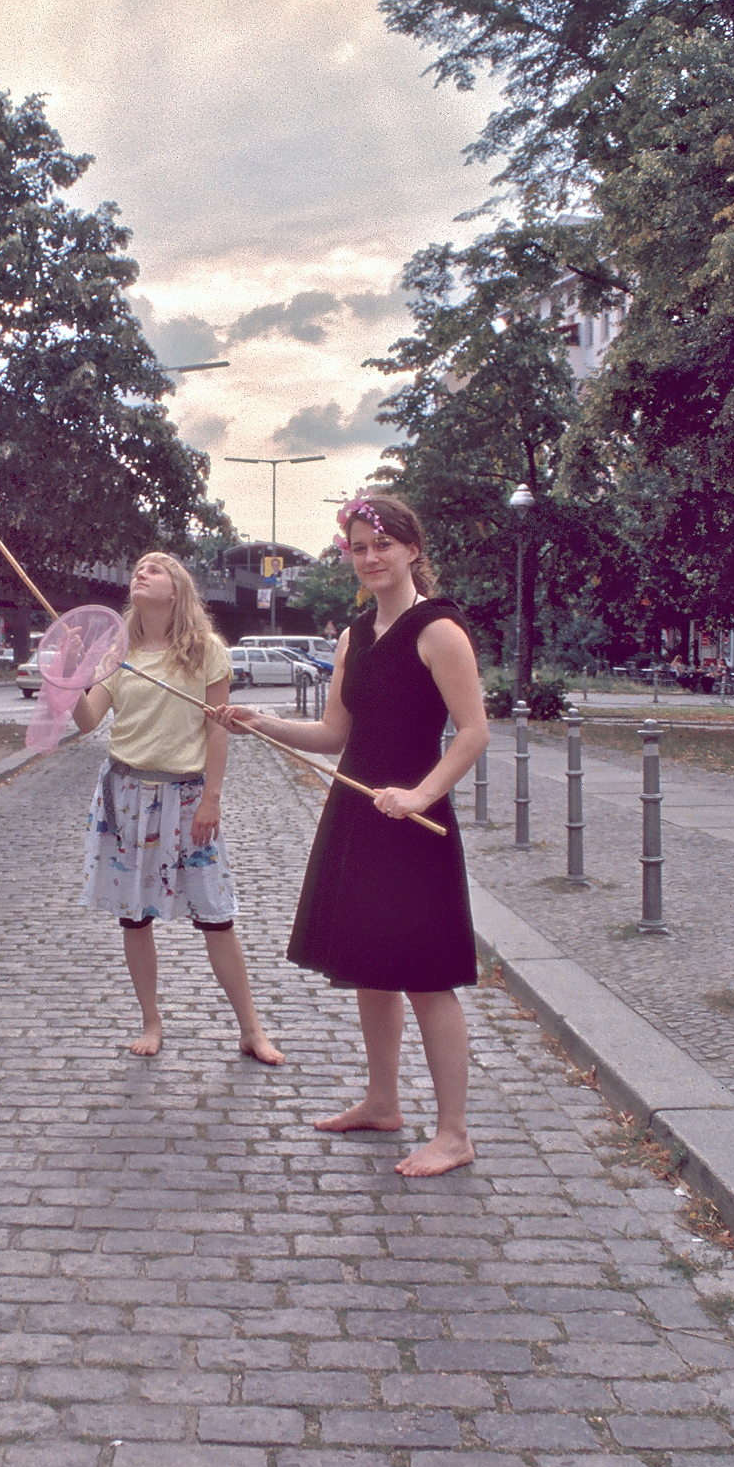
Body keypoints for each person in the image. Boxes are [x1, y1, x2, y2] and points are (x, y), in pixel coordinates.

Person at [213, 494, 488, 1177]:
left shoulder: (439, 629)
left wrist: (420, 794)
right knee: (372, 966)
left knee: (426, 977)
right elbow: (334, 734)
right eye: (358, 547)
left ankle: (454, 1133)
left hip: (414, 822)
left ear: (412, 549)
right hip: (359, 812)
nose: (370, 558)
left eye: (383, 544)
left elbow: (474, 732)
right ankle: (382, 1101)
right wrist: (261, 722)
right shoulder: (352, 637)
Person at [73, 552, 284, 1065]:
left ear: (177, 589)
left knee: (216, 916)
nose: (141, 572)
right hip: (126, 797)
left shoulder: (206, 650)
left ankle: (251, 1029)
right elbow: (87, 720)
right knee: (134, 918)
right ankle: (151, 1020)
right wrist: (75, 674)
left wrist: (211, 798)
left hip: (187, 796)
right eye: (138, 568)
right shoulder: (118, 652)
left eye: (155, 569)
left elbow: (217, 728)